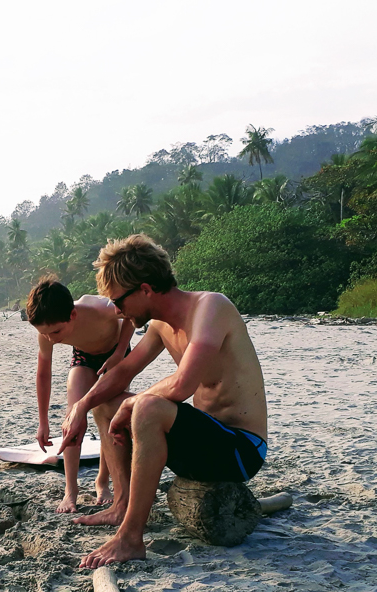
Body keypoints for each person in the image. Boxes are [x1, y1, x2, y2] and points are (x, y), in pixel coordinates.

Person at [57, 234, 268, 569]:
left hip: (240, 450)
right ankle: (121, 505)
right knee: (106, 400)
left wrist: (134, 403)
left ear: (145, 289)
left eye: (119, 301)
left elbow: (184, 383)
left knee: (147, 406)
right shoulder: (159, 325)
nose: (116, 311)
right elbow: (122, 372)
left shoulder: (210, 308)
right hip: (202, 443)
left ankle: (130, 538)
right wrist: (81, 406)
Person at [26, 277, 134, 513]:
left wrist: (118, 352)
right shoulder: (47, 330)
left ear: (72, 316)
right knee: (73, 418)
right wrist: (42, 422)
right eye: (45, 334)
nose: (52, 339)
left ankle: (102, 481)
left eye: (56, 332)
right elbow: (43, 374)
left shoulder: (99, 308)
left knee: (107, 416)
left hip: (117, 354)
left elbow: (130, 314)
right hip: (84, 357)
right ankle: (70, 490)